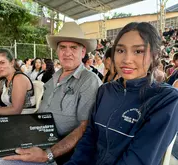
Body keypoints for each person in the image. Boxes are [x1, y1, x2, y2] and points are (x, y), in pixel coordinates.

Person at [65, 22, 178, 165]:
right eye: (120, 50)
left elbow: (139, 159)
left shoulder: (165, 99)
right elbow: (88, 140)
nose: (126, 60)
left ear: (154, 55)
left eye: (138, 51)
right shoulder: (105, 91)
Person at [0, 22, 102, 165]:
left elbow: (84, 128)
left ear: (83, 52)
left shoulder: (88, 81)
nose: (67, 53)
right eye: (62, 47)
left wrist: (48, 154)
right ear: (57, 51)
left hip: (59, 148)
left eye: (73, 47)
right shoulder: (53, 78)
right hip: (36, 136)